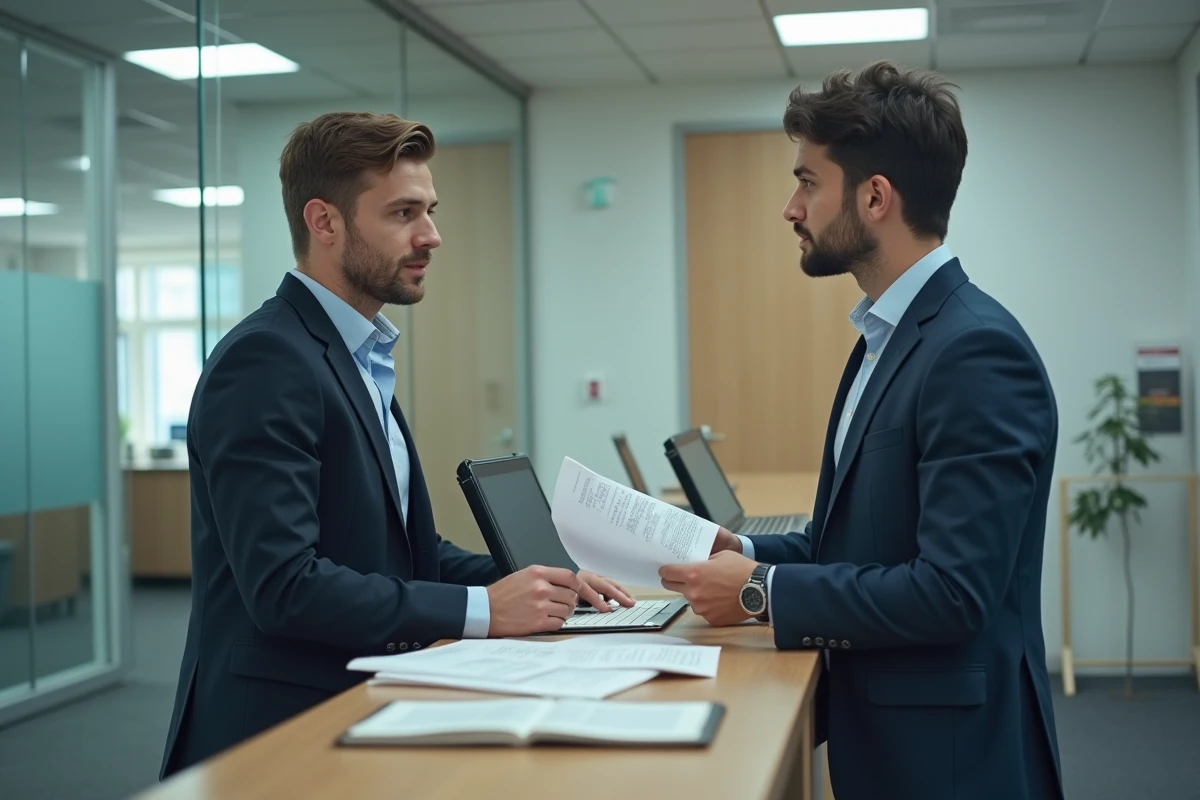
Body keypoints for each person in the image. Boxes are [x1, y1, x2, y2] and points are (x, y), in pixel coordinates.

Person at [160, 111, 633, 777]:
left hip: (360, 708)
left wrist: (535, 581)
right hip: (275, 738)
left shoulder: (359, 355)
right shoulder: (267, 359)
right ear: (324, 222)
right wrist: (485, 610)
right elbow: (284, 586)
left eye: (430, 211)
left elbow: (398, 551)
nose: (432, 235)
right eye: (404, 213)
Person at [659, 62, 1064, 800]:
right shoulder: (887, 338)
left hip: (952, 761)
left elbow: (952, 592)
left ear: (875, 197)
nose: (791, 207)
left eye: (808, 182)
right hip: (893, 740)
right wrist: (743, 551)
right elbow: (860, 541)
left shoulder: (974, 351)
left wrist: (760, 593)